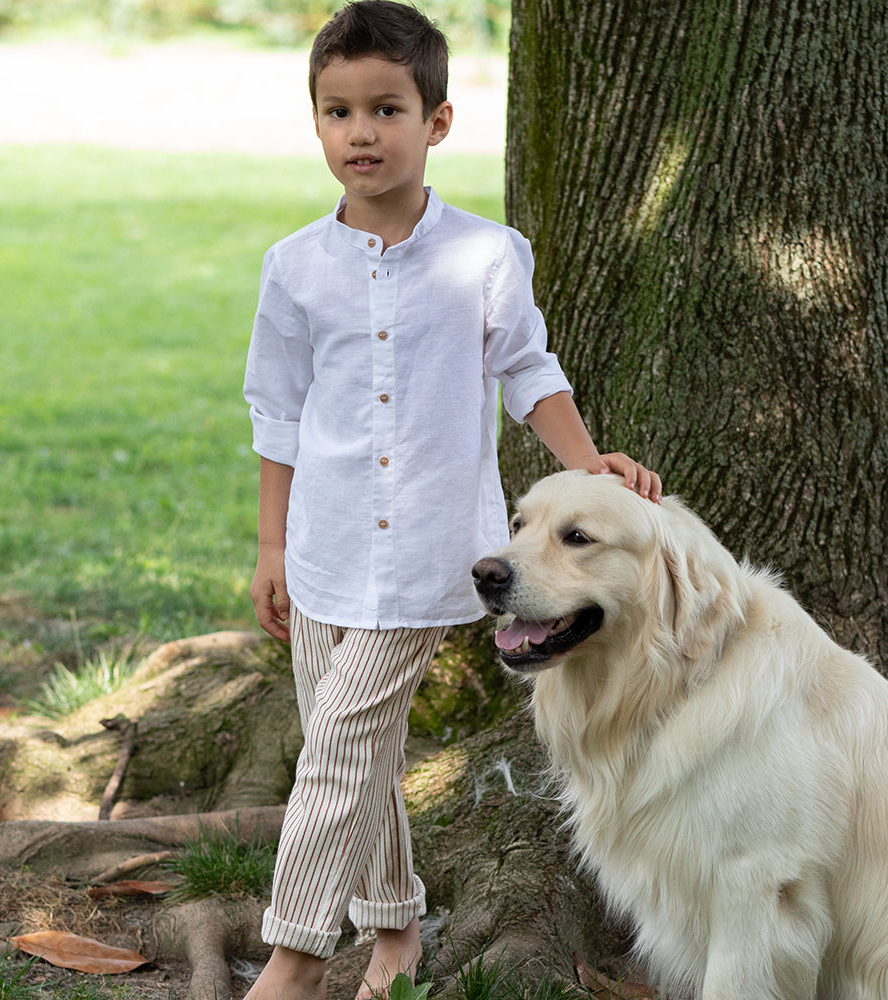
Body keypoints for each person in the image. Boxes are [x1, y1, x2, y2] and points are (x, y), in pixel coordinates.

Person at [242, 3, 662, 997]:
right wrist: (270, 547)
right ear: (315, 124)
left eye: (386, 109)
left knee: (339, 751)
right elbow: (277, 414)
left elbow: (526, 370)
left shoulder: (485, 255)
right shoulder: (293, 267)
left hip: (430, 552)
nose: (362, 132)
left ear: (435, 121)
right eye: (338, 112)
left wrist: (591, 461)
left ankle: (292, 960)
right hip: (321, 548)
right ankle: (394, 928)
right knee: (354, 751)